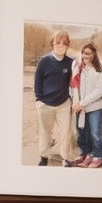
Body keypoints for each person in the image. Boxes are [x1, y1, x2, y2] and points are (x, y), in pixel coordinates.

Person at [33, 29, 74, 166]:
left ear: (68, 45)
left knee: (65, 133)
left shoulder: (70, 62)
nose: (60, 45)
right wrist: (38, 99)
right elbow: (37, 81)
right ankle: (43, 156)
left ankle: (65, 158)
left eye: (64, 43)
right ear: (53, 44)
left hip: (63, 103)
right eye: (57, 43)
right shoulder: (44, 61)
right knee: (45, 132)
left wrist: (72, 100)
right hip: (45, 103)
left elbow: (73, 82)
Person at [71, 42, 102, 167]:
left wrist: (82, 103)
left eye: (88, 53)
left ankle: (98, 155)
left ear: (93, 55)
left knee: (95, 134)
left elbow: (98, 92)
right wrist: (76, 103)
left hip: (94, 108)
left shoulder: (98, 73)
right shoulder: (80, 71)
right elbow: (75, 88)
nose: (85, 56)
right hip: (80, 107)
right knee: (82, 133)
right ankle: (86, 154)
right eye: (83, 53)